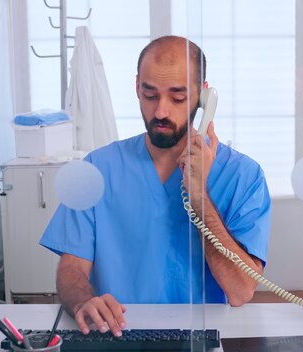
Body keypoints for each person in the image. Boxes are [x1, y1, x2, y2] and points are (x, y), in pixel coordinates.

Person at [40, 36, 271, 337]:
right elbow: (71, 267)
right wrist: (85, 301)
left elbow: (240, 291)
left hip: (200, 338)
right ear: (137, 87)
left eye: (177, 97)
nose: (161, 111)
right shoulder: (98, 168)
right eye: (150, 95)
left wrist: (199, 196)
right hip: (118, 335)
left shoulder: (243, 176)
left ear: (204, 98)